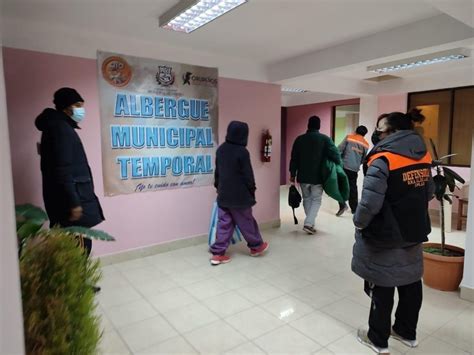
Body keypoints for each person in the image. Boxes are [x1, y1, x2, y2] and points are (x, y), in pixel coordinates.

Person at [351, 109, 434, 354]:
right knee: (410, 281)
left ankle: (378, 339)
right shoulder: (423, 155)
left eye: (381, 129)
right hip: (414, 227)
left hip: (385, 232)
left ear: (395, 132)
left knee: (382, 282)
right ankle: (406, 332)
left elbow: (369, 203)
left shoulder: (383, 159)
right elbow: (427, 193)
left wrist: (358, 222)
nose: (377, 134)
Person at [35, 87, 105, 259]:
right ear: (66, 107)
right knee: (78, 246)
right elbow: (63, 169)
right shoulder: (60, 129)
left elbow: (58, 164)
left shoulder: (57, 127)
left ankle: (76, 282)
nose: (81, 110)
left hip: (63, 198)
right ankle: (78, 284)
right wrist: (74, 203)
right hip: (70, 200)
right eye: (78, 105)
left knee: (72, 243)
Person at [209, 121, 269, 265]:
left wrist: (218, 187)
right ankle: (256, 246)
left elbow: (218, 173)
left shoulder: (221, 150)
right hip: (240, 197)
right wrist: (252, 190)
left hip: (223, 195)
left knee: (224, 224)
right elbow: (248, 175)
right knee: (247, 222)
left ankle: (218, 254)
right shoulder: (242, 152)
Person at [289, 116, 341, 234]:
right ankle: (308, 223)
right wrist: (337, 167)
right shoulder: (325, 139)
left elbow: (294, 159)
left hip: (302, 176)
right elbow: (336, 155)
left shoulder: (299, 139)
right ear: (319, 126)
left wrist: (292, 173)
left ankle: (310, 223)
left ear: (308, 125)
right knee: (316, 200)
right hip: (318, 176)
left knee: (307, 198)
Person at [336, 125, 369, 216]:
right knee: (353, 188)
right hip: (354, 169)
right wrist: (357, 164)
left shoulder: (349, 137)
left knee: (340, 186)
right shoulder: (366, 144)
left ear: (356, 131)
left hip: (344, 166)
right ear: (365, 134)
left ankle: (342, 204)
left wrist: (338, 161)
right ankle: (354, 209)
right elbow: (363, 159)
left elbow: (339, 150)